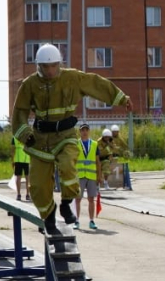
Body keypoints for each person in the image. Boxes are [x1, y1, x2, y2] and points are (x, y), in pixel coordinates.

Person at [10, 43, 133, 235]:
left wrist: (120, 98)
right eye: (45, 67)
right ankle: (48, 217)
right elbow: (18, 115)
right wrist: (26, 135)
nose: (50, 71)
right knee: (38, 187)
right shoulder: (29, 84)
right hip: (40, 140)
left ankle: (66, 203)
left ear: (59, 64)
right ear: (38, 66)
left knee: (68, 166)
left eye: (53, 66)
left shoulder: (72, 78)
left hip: (65, 136)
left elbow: (96, 83)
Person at [74, 123, 100, 230]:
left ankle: (91, 221)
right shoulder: (76, 144)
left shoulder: (94, 144)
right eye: (82, 130)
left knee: (91, 199)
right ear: (79, 132)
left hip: (91, 175)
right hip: (79, 175)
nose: (84, 132)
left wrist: (99, 175)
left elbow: (98, 161)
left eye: (86, 130)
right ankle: (76, 220)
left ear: (89, 131)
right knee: (78, 199)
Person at [11, 134, 31, 201]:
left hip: (18, 160)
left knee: (18, 178)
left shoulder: (15, 137)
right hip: (26, 160)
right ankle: (27, 195)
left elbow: (13, 150)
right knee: (27, 178)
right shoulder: (28, 136)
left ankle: (18, 194)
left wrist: (12, 160)